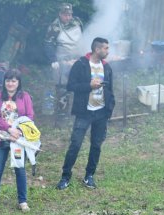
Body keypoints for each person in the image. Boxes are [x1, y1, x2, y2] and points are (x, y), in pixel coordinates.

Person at [56, 38, 115, 191]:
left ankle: (89, 176)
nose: (108, 51)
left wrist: (109, 108)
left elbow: (110, 89)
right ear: (97, 49)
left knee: (96, 146)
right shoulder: (81, 64)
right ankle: (65, 176)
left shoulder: (106, 67)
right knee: (75, 144)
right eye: (106, 48)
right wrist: (89, 86)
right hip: (84, 113)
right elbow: (71, 86)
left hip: (101, 113)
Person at [0, 69, 35, 212]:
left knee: (20, 169)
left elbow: (30, 116)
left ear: (18, 82)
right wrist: (9, 129)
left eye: (14, 81)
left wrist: (18, 131)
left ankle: (23, 201)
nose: (10, 83)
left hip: (18, 140)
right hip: (1, 138)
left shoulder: (25, 97)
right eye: (8, 80)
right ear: (4, 82)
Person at [44, 4, 84, 95]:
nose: (68, 17)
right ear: (60, 14)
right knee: (63, 84)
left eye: (69, 15)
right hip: (63, 59)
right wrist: (53, 60)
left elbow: (82, 36)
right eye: (65, 15)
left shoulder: (77, 22)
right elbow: (48, 44)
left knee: (80, 81)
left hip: (78, 56)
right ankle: (62, 101)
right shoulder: (54, 27)